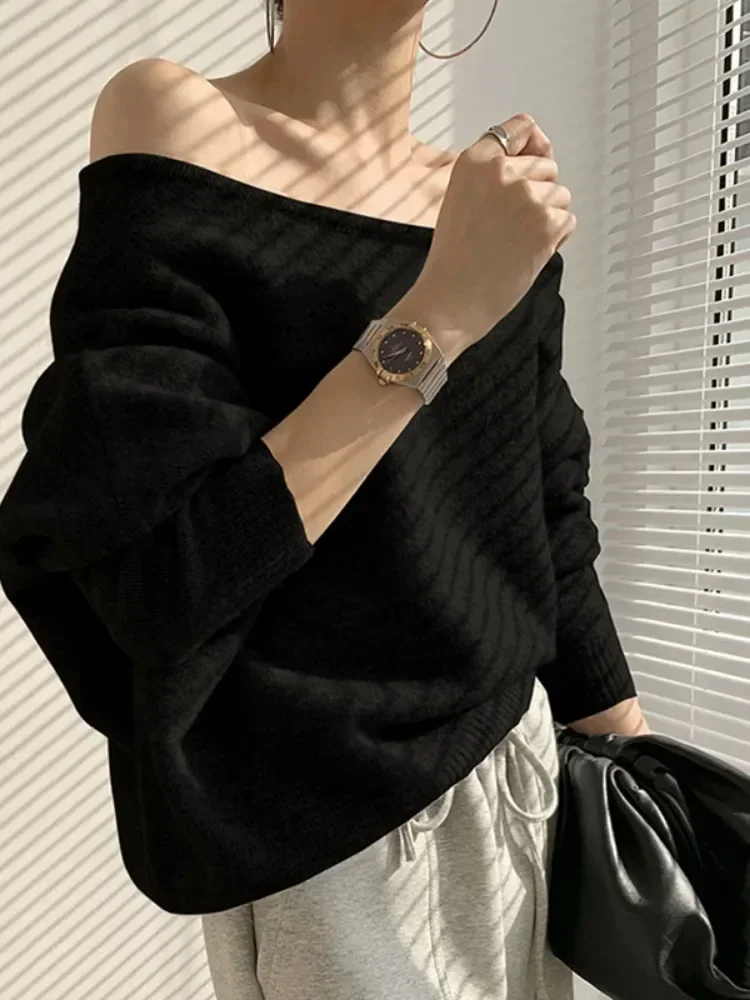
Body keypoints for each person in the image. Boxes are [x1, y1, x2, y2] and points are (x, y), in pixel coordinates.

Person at [0, 0, 649, 998]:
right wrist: (442, 312)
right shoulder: (174, 121)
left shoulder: (490, 204)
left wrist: (650, 794)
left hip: (519, 792)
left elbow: (550, 518)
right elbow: (166, 579)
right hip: (327, 837)